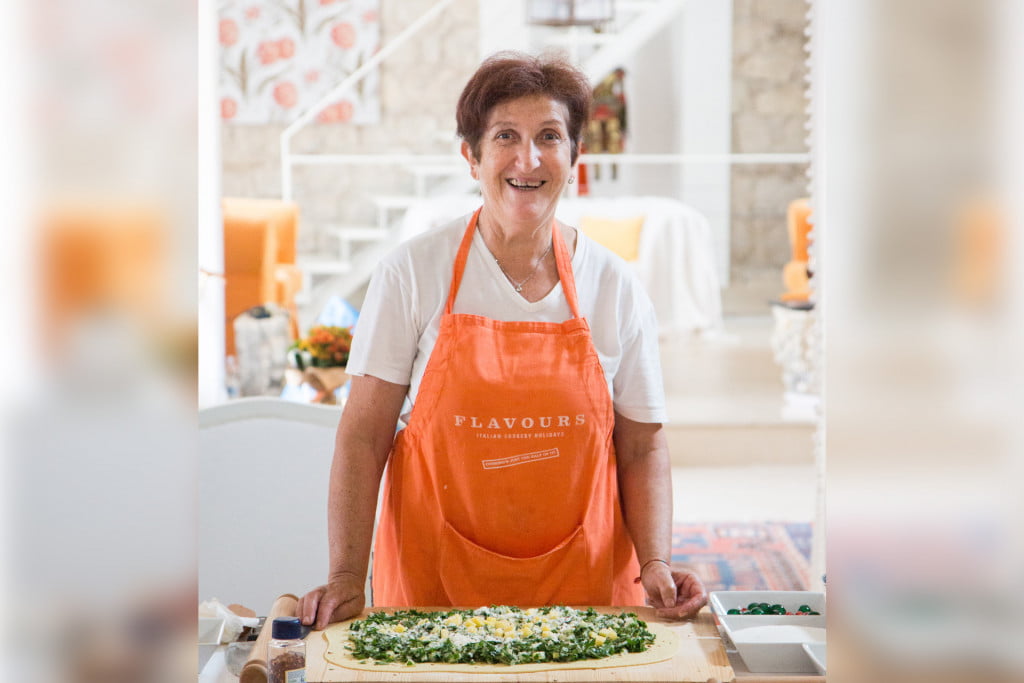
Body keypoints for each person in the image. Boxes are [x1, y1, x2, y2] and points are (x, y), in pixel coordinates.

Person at [299, 52, 707, 630]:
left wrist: (657, 562)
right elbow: (364, 437)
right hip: (433, 592)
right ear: (472, 156)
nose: (528, 158)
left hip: (584, 592)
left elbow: (642, 447)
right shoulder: (413, 273)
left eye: (549, 136)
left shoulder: (613, 286)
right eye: (505, 136)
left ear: (575, 156)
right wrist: (345, 574)